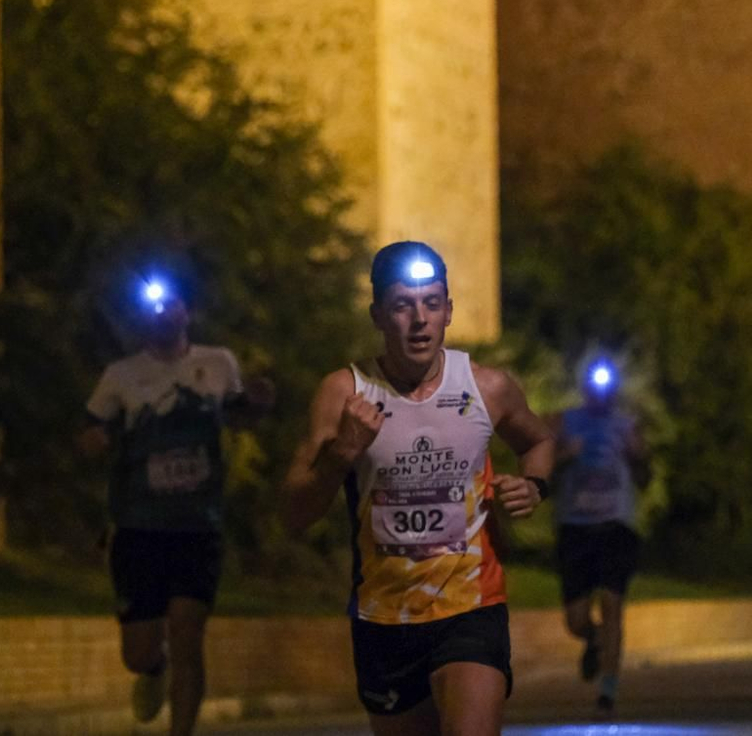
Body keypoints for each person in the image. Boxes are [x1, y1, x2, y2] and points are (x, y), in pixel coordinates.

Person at [282, 241, 555, 736]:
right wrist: (342, 453)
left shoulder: (486, 387)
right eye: (403, 305)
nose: (420, 319)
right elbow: (295, 513)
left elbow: (538, 442)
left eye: (432, 303)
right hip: (384, 617)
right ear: (378, 315)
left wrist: (535, 485)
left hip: (471, 609)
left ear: (448, 311)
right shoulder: (344, 393)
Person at [79, 276, 273, 736]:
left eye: (171, 305)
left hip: (197, 527)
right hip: (138, 528)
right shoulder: (121, 376)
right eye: (153, 307)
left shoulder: (218, 363)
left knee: (189, 634)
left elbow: (240, 416)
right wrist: (94, 439)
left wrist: (260, 404)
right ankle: (152, 669)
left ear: (187, 310)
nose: (163, 313)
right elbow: (88, 431)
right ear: (142, 318)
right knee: (140, 652)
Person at [551, 358, 650, 714]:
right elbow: (543, 471)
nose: (600, 395)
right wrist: (564, 456)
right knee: (576, 620)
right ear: (585, 389)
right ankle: (592, 640)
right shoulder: (565, 422)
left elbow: (643, 478)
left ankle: (608, 688)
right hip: (576, 529)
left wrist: (638, 458)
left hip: (615, 527)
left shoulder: (626, 427)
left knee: (612, 604)